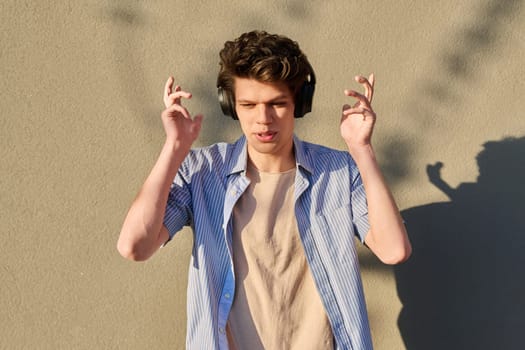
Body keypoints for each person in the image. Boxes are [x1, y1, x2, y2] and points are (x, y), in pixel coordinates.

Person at [117, 30, 411, 350]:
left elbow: (393, 249)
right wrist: (173, 149)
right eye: (248, 104)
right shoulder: (202, 172)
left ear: (299, 103)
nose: (263, 119)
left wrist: (362, 149)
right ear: (230, 105)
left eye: (277, 104)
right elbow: (135, 246)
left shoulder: (339, 172)